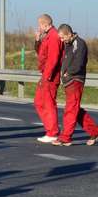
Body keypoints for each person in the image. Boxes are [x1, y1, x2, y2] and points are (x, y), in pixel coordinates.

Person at [54, 24, 98, 146]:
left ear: (68, 34)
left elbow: (79, 64)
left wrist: (67, 73)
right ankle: (95, 131)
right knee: (75, 109)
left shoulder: (79, 44)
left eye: (62, 37)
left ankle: (65, 137)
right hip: (69, 81)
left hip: (75, 80)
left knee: (71, 109)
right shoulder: (68, 44)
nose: (61, 40)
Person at [34, 14, 63, 144]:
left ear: (44, 24)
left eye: (39, 25)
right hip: (45, 74)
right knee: (39, 102)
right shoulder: (47, 36)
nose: (39, 27)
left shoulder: (53, 36)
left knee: (48, 103)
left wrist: (47, 76)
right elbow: (41, 53)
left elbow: (53, 58)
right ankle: (51, 130)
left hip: (50, 75)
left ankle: (53, 132)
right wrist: (38, 40)